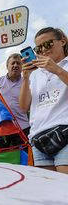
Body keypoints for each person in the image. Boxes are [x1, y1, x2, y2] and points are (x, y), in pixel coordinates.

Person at [19, 27, 68, 174]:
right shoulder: (35, 74)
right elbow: (23, 107)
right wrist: (26, 77)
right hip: (38, 136)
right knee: (49, 190)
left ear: (63, 42)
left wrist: (56, 69)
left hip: (64, 130)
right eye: (38, 48)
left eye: (48, 44)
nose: (43, 50)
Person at [0, 53, 30, 147]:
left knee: (24, 159)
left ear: (22, 67)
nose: (15, 65)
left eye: (18, 63)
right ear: (7, 66)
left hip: (23, 127)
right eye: (13, 63)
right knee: (3, 158)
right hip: (1, 128)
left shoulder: (27, 82)